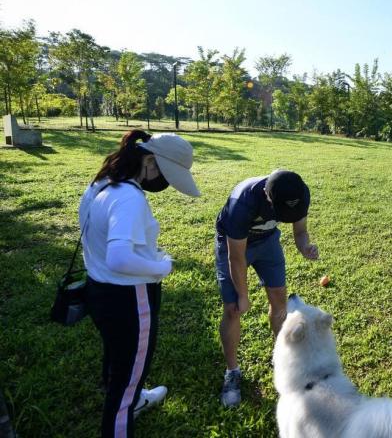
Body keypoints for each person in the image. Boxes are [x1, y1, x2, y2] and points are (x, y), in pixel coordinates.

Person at [80, 130, 200, 438]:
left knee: (117, 356)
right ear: (148, 161)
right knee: (128, 376)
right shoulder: (129, 198)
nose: (164, 183)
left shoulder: (101, 184)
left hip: (99, 290)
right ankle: (126, 406)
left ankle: (132, 398)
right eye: (164, 173)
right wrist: (161, 267)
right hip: (129, 297)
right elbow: (119, 258)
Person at [215, 169, 319, 407]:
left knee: (280, 301)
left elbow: (300, 231)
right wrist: (243, 295)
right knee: (233, 309)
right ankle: (232, 372)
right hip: (233, 245)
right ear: (267, 196)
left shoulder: (299, 194)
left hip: (268, 241)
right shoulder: (242, 202)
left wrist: (304, 247)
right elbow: (236, 258)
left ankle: (282, 355)